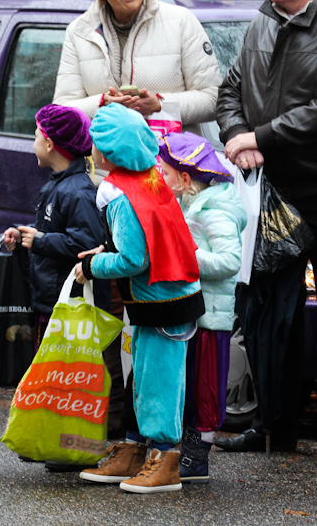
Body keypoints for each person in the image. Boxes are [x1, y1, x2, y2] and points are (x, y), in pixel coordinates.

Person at [215, 0, 317, 463]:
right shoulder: (261, 21)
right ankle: (272, 426)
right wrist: (236, 137)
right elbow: (230, 92)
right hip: (272, 186)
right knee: (269, 313)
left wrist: (259, 137)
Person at [74, 103, 205, 494]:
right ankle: (135, 449)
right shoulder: (146, 177)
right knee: (143, 378)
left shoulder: (118, 194)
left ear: (107, 153)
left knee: (159, 382)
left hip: (162, 303)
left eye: (95, 143)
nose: (91, 149)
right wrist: (103, 251)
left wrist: (94, 267)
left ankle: (165, 461)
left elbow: (133, 258)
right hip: (164, 296)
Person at [158, 132, 246, 484]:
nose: (161, 180)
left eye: (165, 174)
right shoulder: (192, 203)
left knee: (205, 386)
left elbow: (229, 261)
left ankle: (197, 455)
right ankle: (187, 448)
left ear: (184, 178)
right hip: (195, 312)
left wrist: (187, 258)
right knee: (190, 382)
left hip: (211, 317)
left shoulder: (215, 210)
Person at [53, 0, 221, 166]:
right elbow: (60, 111)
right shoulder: (79, 31)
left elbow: (214, 99)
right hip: (106, 181)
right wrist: (103, 105)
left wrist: (161, 106)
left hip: (173, 179)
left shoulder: (181, 21)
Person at [3, 104, 107, 347]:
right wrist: (23, 234)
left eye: (36, 136)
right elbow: (54, 228)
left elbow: (85, 244)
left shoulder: (78, 192)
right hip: (52, 301)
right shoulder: (60, 185)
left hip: (68, 307)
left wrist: (39, 241)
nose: (33, 143)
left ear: (50, 145)